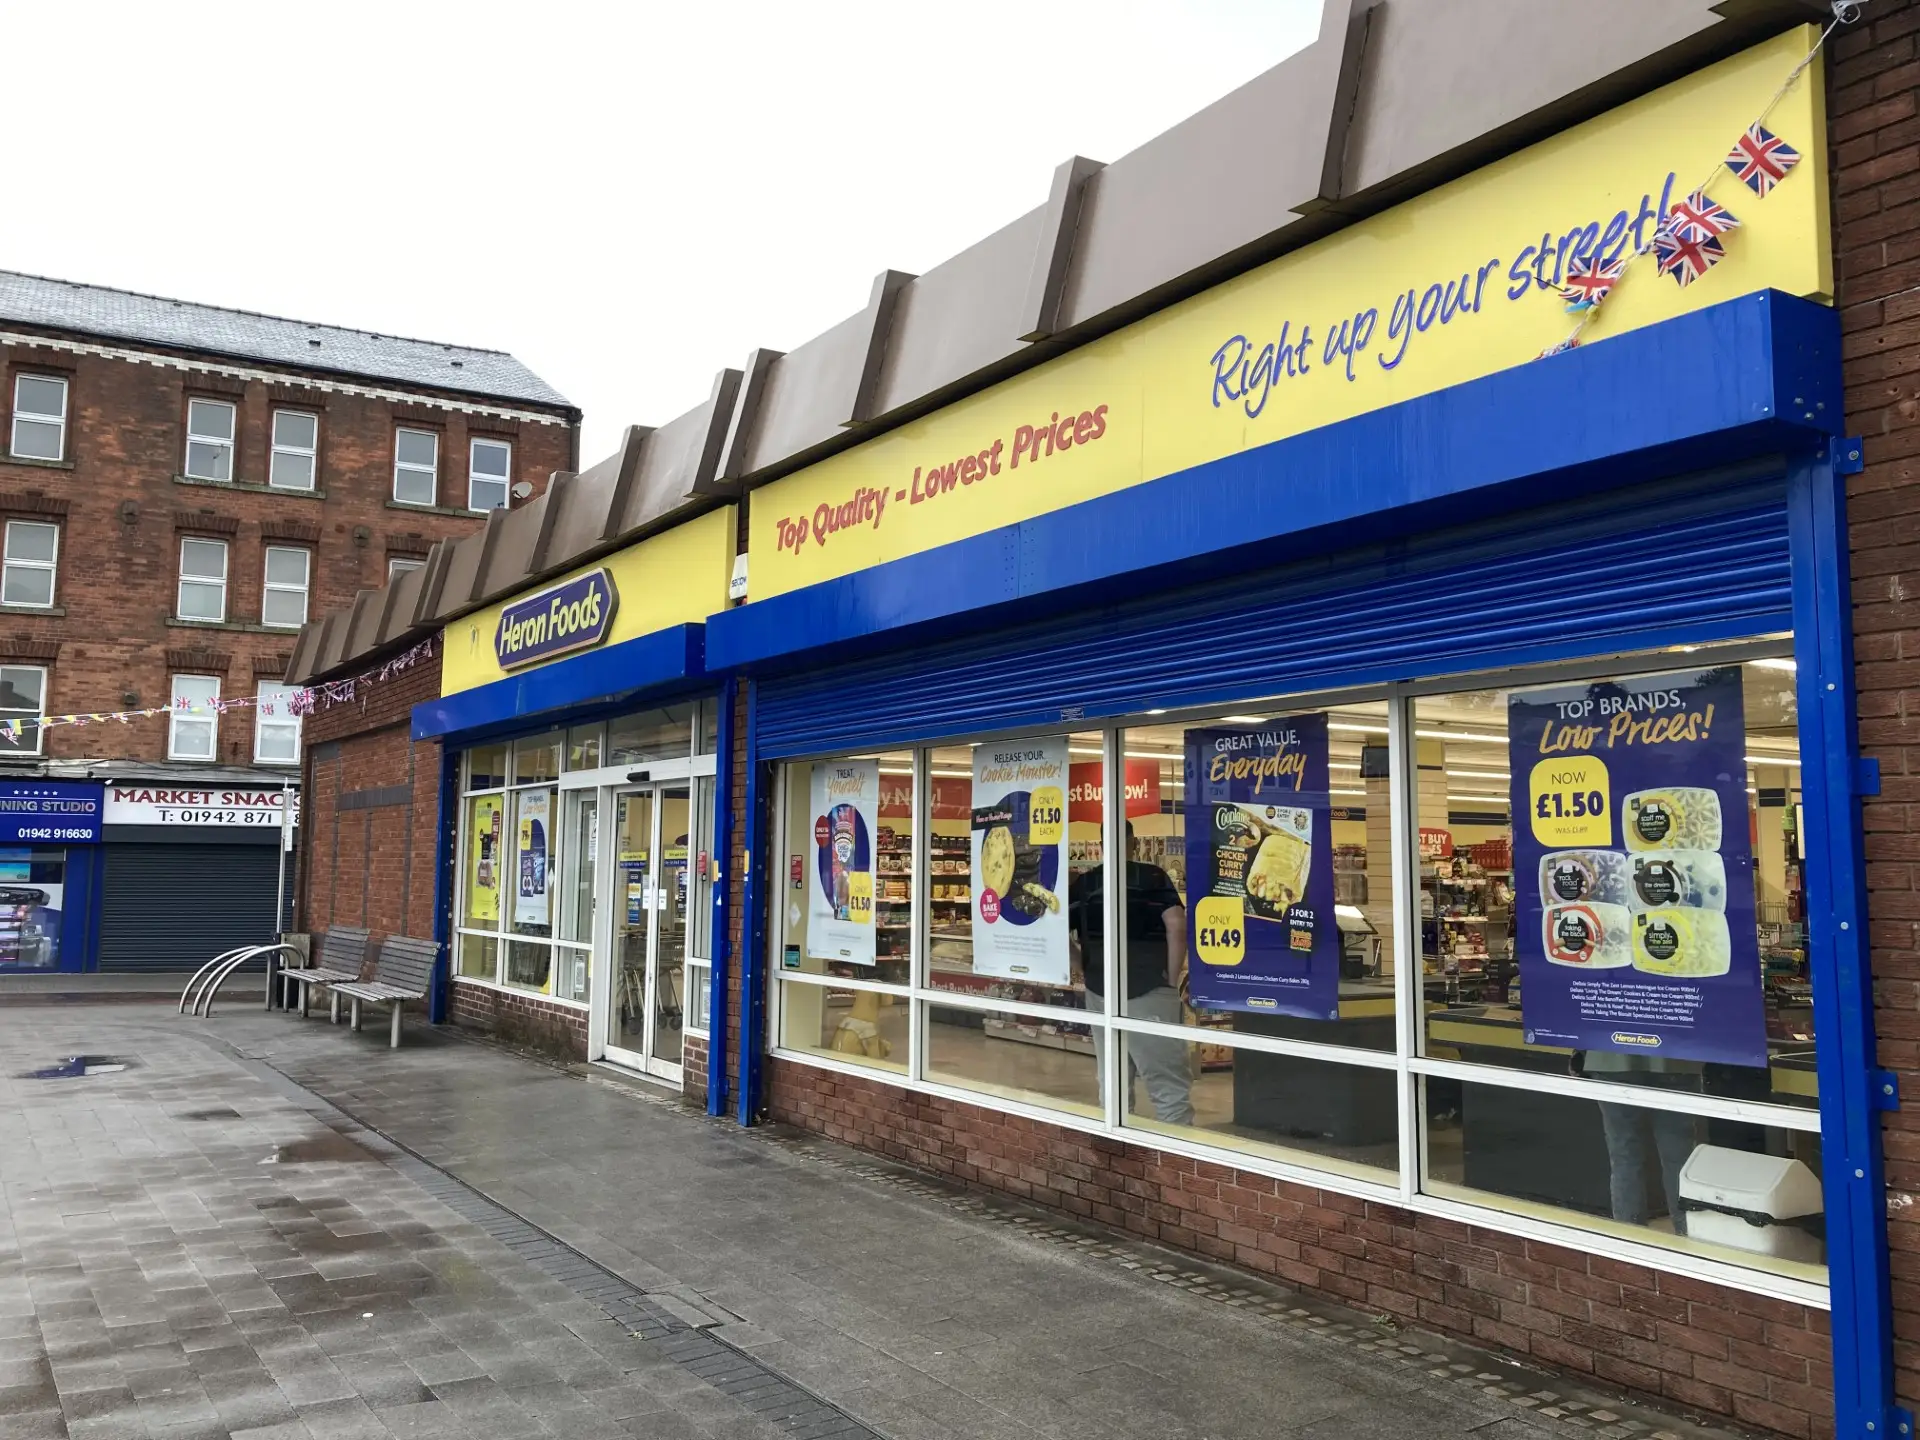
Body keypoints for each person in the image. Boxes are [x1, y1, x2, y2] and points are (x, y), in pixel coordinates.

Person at [1069, 822, 1194, 1126]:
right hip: (1149, 989)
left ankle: (1117, 1154)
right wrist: (1171, 978)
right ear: (1133, 842)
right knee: (1167, 1085)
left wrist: (1083, 967)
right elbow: (1177, 926)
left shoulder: (1085, 884)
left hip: (1101, 991)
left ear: (1100, 844)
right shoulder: (1152, 877)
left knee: (1112, 1080)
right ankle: (1176, 1158)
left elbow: (1057, 933)